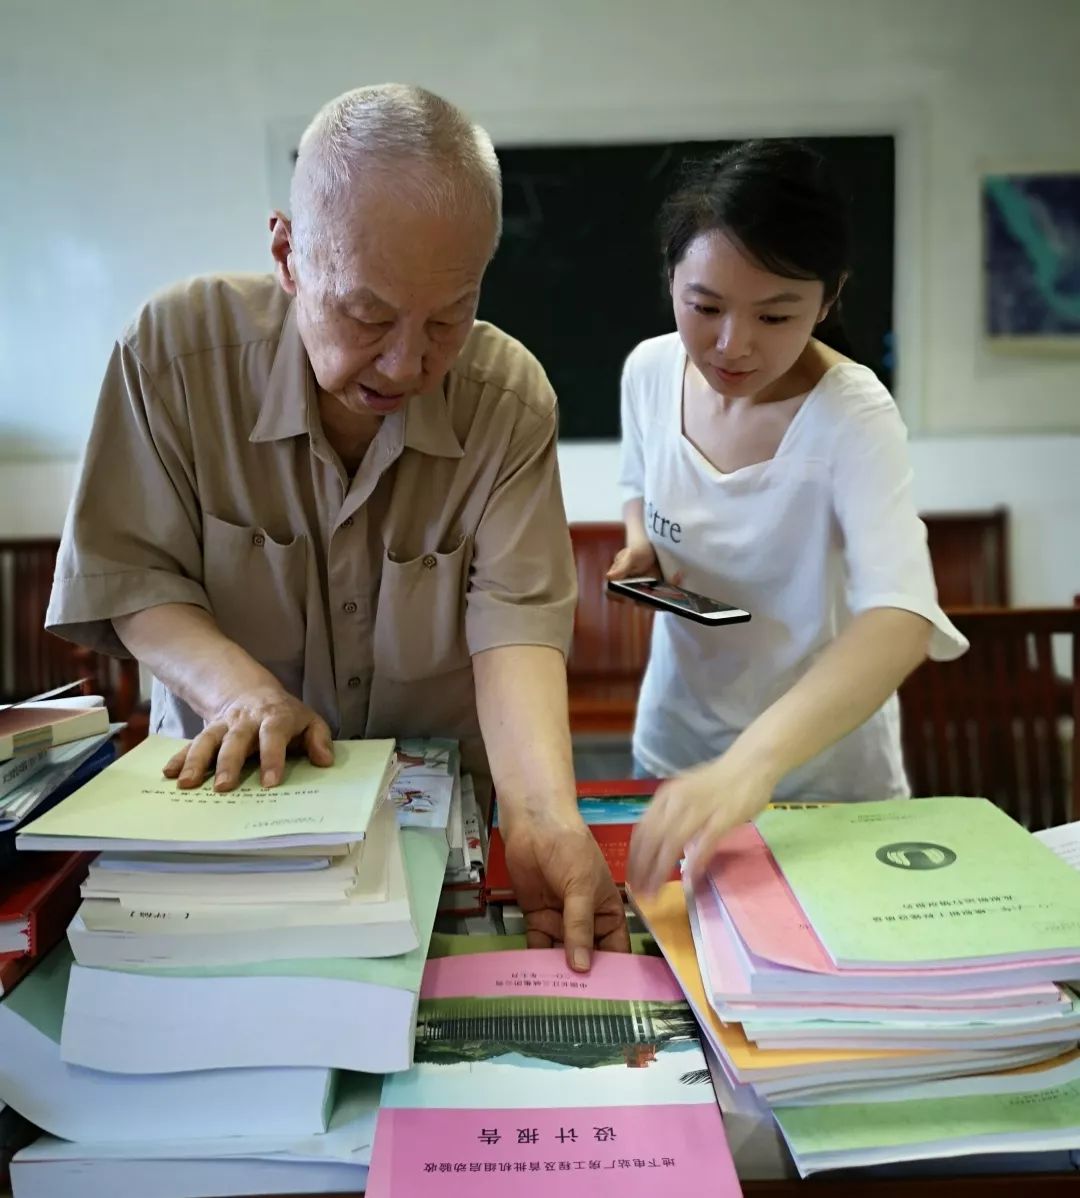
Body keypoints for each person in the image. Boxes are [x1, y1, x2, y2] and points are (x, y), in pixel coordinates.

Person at [46, 84, 628, 969]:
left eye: (446, 319)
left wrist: (546, 820)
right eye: (367, 316)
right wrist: (247, 696)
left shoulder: (508, 402)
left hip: (433, 847)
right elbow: (136, 579)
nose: (406, 362)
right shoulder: (173, 357)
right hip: (225, 826)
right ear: (288, 253)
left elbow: (513, 630)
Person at [608, 140, 968, 896]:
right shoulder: (649, 371)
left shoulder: (852, 415)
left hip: (821, 778)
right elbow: (640, 478)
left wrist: (748, 767)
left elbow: (900, 614)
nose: (732, 345)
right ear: (670, 278)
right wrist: (643, 539)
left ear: (828, 300)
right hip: (676, 754)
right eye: (704, 307)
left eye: (775, 315)